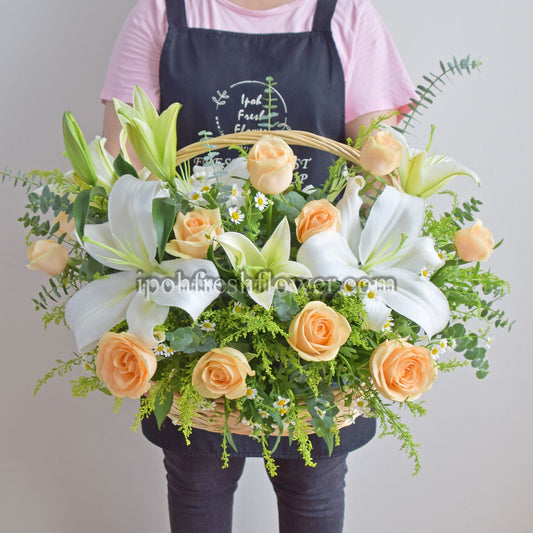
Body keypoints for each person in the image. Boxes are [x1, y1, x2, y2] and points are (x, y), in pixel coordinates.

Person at [100, 1, 416, 531]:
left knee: (313, 490)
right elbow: (120, 168)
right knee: (198, 484)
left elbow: (381, 174)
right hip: (190, 300)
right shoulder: (162, 13)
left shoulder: (348, 15)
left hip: (321, 304)